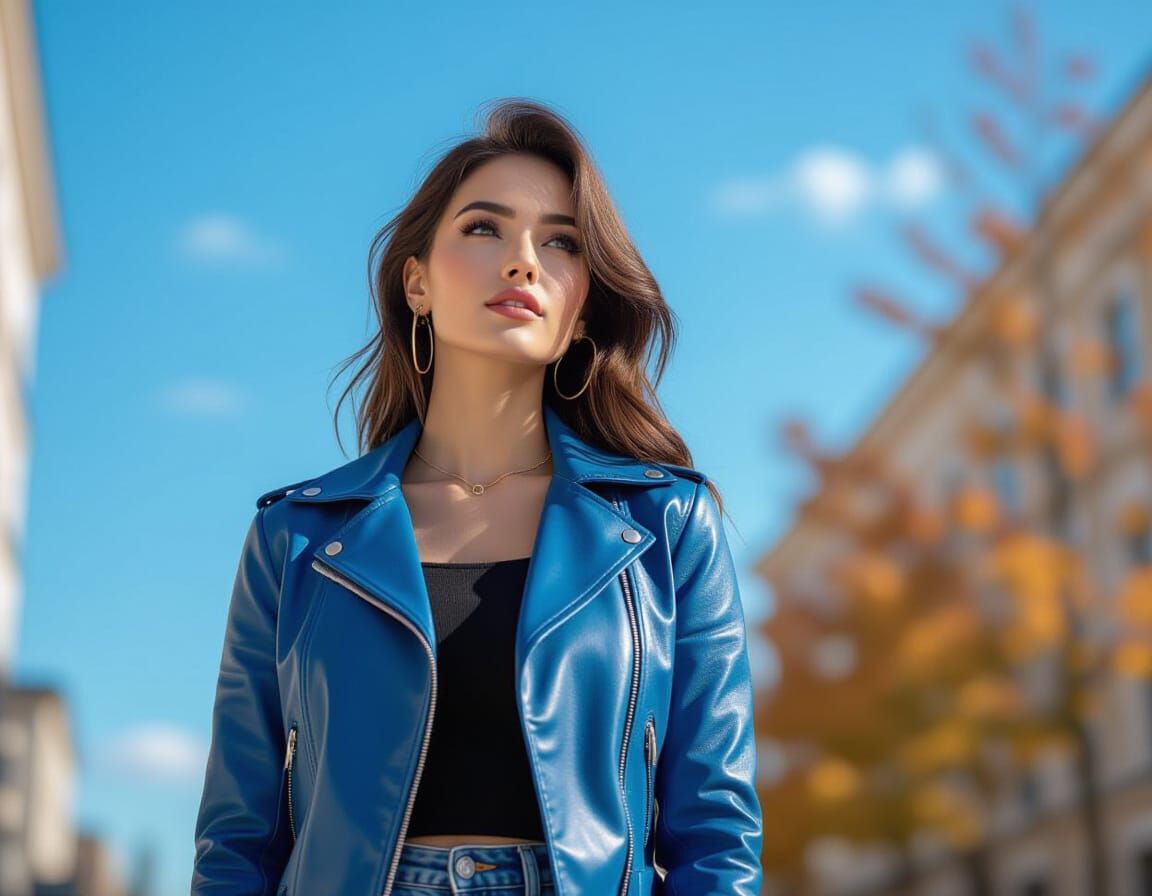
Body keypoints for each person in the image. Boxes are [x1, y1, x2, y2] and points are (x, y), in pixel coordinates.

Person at [190, 98, 762, 896]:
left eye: (561, 242)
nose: (524, 261)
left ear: (582, 304)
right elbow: (235, 842)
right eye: (485, 228)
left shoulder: (667, 525)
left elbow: (718, 835)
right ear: (416, 281)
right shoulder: (296, 537)